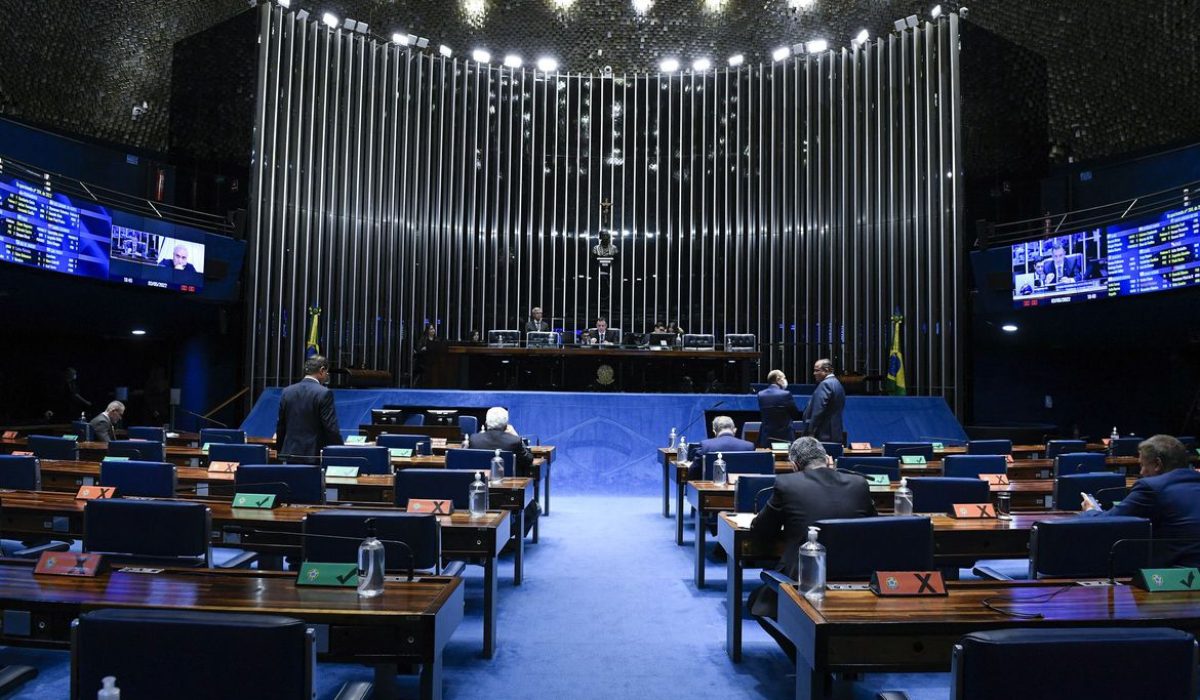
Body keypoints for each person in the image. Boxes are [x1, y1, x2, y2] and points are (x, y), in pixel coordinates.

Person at [748, 437, 876, 654]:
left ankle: (803, 656)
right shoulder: (859, 484)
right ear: (827, 459)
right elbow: (873, 527)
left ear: (795, 465)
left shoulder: (787, 484)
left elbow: (761, 530)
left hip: (804, 579)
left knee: (756, 603)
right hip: (856, 577)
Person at [1081, 434, 1200, 567]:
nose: (1142, 472)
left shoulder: (1151, 487)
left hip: (1180, 575)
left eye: (1142, 465)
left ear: (1157, 464)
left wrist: (1090, 510)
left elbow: (1107, 523)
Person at [276, 354, 342, 463]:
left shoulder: (287, 391)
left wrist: (280, 452)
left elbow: (281, 426)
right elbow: (331, 428)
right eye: (326, 372)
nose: (326, 376)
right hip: (313, 455)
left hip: (289, 454)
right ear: (322, 370)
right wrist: (341, 451)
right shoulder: (324, 393)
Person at [466, 407, 534, 477]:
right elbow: (528, 460)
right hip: (508, 484)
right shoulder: (514, 441)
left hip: (481, 483)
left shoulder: (474, 439)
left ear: (486, 422)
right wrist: (518, 437)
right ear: (506, 425)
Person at [689, 415, 755, 480]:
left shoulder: (706, 445)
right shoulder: (749, 447)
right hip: (741, 489)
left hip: (712, 489)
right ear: (734, 430)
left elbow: (692, 473)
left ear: (714, 431)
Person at [802, 358, 846, 443]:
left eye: (817, 370)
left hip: (823, 433)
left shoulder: (825, 384)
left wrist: (811, 431)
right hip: (834, 432)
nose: (814, 373)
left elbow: (818, 410)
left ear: (826, 370)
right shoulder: (837, 384)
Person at [756, 369, 798, 447]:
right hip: (785, 437)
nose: (785, 380)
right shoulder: (786, 394)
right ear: (778, 379)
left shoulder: (760, 394)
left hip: (767, 437)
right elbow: (794, 413)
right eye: (784, 378)